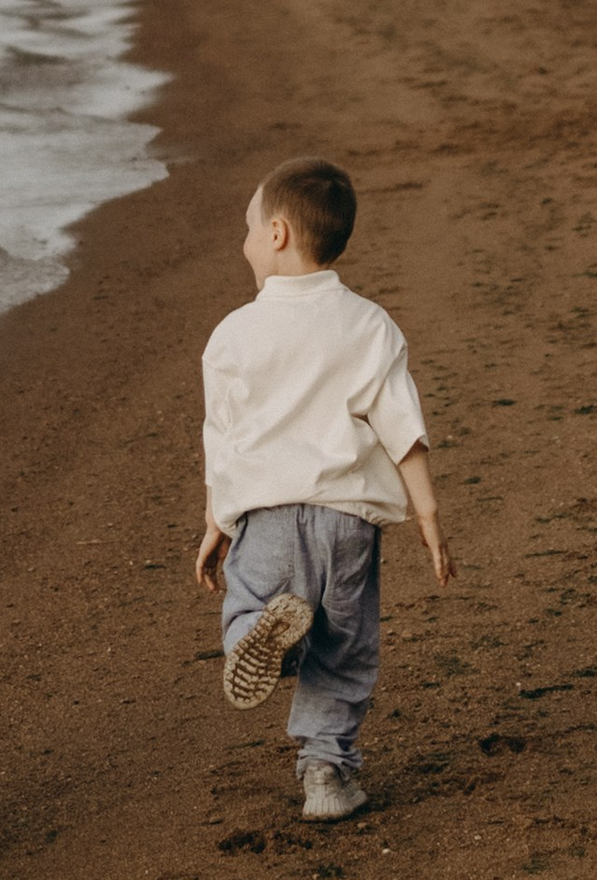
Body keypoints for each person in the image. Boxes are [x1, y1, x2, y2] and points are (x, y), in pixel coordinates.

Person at [192, 155, 451, 825]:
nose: (244, 240)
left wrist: (217, 523)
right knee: (345, 646)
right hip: (346, 521)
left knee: (251, 602)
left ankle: (263, 637)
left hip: (267, 516)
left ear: (277, 235)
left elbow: (224, 439)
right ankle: (327, 774)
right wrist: (427, 516)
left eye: (249, 226)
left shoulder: (233, 335)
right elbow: (404, 432)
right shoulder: (369, 325)